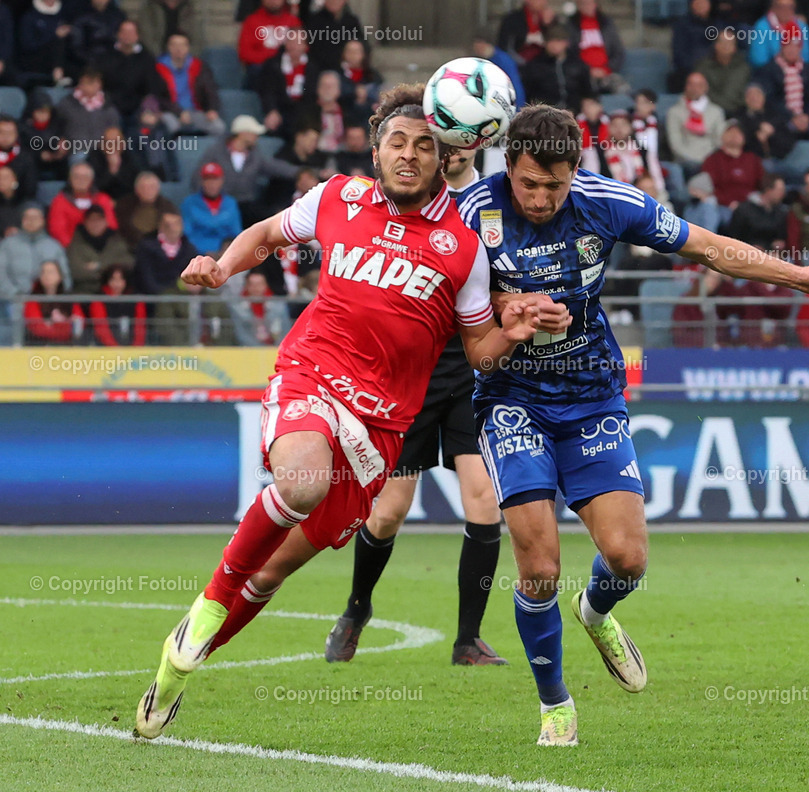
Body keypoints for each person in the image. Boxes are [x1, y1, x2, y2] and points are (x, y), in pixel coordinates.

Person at [133, 83, 549, 741]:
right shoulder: (336, 196)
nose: (408, 155)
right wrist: (223, 268)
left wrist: (513, 333)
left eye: (423, 146)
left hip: (379, 430)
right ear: (375, 149)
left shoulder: (464, 247)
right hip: (312, 375)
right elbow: (268, 233)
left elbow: (477, 351)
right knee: (301, 482)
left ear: (443, 158)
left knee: (273, 570)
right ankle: (208, 606)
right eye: (396, 143)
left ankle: (175, 669)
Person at [456, 103, 809, 745]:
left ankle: (595, 610)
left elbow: (708, 248)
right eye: (529, 183)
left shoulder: (608, 202)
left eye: (555, 185)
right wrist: (509, 307)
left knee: (628, 559)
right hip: (511, 399)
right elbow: (448, 301)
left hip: (591, 394)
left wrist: (799, 277)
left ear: (575, 171)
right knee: (540, 565)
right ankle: (556, 705)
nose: (541, 198)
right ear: (508, 165)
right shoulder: (473, 212)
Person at [324, 146, 509, 666]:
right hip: (410, 377)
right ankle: (357, 609)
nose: (453, 147)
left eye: (463, 136)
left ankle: (468, 640)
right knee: (388, 512)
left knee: (484, 502)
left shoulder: (492, 201)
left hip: (471, 373)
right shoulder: (407, 195)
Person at [155, 33, 226, 137]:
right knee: (171, 126)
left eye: (182, 45)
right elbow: (159, 97)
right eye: (174, 45)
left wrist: (212, 109)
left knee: (218, 127)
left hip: (195, 112)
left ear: (188, 48)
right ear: (169, 47)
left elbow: (210, 90)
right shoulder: (158, 68)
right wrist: (179, 112)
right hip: (170, 112)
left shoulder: (199, 66)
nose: (179, 49)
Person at [520, 24, 592, 114]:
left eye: (558, 41)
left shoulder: (578, 65)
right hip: (545, 115)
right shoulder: (534, 66)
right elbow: (528, 95)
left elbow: (588, 93)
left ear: (566, 43)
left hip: (575, 113)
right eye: (550, 41)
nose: (554, 45)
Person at [666, 72, 726, 177]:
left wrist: (710, 160)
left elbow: (719, 140)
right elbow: (675, 143)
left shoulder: (716, 111)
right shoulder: (674, 112)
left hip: (711, 159)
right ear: (686, 87)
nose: (695, 88)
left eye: (699, 85)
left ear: (706, 88)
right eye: (691, 84)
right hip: (685, 161)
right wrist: (694, 159)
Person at [48, 162, 119, 248]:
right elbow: (58, 231)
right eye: (76, 177)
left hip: (103, 248)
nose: (81, 180)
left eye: (85, 177)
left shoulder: (103, 199)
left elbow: (111, 226)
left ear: (91, 180)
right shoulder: (59, 201)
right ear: (70, 179)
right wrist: (77, 250)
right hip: (72, 249)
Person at [181, 162, 244, 256]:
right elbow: (187, 234)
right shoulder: (189, 203)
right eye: (207, 179)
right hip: (198, 255)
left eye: (215, 179)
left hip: (226, 254)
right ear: (202, 181)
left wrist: (226, 251)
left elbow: (236, 232)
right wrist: (203, 252)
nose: (211, 184)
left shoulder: (230, 203)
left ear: (221, 181)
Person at [67, 203, 132, 293]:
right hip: (84, 293)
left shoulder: (117, 241)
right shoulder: (75, 244)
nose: (95, 223)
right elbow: (76, 272)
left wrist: (98, 266)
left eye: (99, 219)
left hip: (114, 293)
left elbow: (128, 264)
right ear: (85, 222)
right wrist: (109, 272)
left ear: (106, 222)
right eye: (92, 220)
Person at [566, 0, 627, 95]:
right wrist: (587, 70)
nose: (587, 7)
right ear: (578, 6)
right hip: (582, 75)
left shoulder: (607, 23)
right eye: (583, 4)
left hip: (606, 73)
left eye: (590, 3)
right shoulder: (571, 25)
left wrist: (606, 69)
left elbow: (618, 52)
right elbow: (570, 53)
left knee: (622, 91)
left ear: (596, 4)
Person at [24, 259, 83, 345]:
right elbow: (38, 330)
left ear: (60, 276)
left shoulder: (69, 299)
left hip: (66, 347)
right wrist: (64, 325)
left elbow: (78, 326)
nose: (46, 275)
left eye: (51, 272)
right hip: (41, 347)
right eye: (43, 272)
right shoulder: (33, 300)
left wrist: (53, 326)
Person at [88, 263, 147, 345]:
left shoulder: (136, 299)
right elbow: (101, 328)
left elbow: (140, 327)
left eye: (121, 280)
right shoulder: (99, 299)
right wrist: (115, 348)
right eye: (113, 280)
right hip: (105, 348)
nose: (117, 284)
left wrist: (136, 348)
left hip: (132, 347)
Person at [696, 29, 750, 118]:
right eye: (722, 42)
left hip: (737, 114)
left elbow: (736, 96)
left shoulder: (743, 68)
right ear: (715, 45)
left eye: (729, 43)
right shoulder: (703, 67)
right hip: (707, 113)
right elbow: (700, 92)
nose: (725, 46)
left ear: (735, 47)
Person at [747, 0, 809, 70]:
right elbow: (758, 60)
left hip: (798, 71)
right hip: (769, 72)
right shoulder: (762, 27)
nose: (786, 10)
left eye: (790, 7)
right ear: (773, 7)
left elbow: (807, 57)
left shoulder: (801, 26)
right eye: (781, 7)